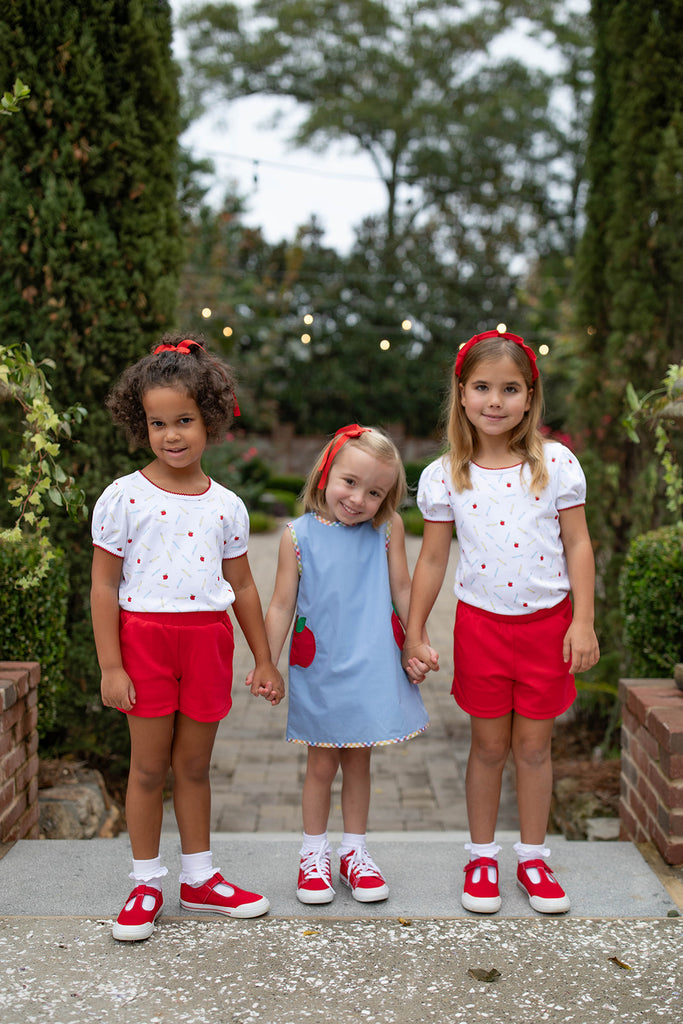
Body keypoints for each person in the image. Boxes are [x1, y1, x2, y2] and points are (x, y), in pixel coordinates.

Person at [90, 334, 284, 942]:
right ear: (140, 423)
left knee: (194, 766)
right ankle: (146, 882)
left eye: (184, 421)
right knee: (149, 768)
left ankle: (199, 879)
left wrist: (264, 659)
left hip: (206, 642)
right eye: (158, 423)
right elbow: (103, 586)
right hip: (144, 642)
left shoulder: (227, 506)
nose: (172, 435)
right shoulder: (123, 498)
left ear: (210, 421)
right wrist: (111, 666)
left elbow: (243, 585)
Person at [402, 328, 600, 915]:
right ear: (461, 394)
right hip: (481, 628)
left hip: (548, 627)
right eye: (483, 387)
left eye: (510, 389)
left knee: (534, 748)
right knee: (488, 748)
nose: (495, 401)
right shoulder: (447, 474)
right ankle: (482, 857)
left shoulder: (556, 464)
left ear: (529, 396)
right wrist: (415, 629)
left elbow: (579, 544)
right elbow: (432, 559)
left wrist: (583, 621)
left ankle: (533, 858)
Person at [263, 424, 430, 905]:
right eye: (350, 482)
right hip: (321, 669)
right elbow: (281, 605)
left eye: (374, 492)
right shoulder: (297, 536)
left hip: (372, 664)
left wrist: (416, 641)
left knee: (359, 761)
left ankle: (354, 852)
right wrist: (266, 662)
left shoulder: (387, 530)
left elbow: (403, 589)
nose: (358, 499)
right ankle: (313, 853)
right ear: (325, 474)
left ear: (387, 498)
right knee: (321, 764)